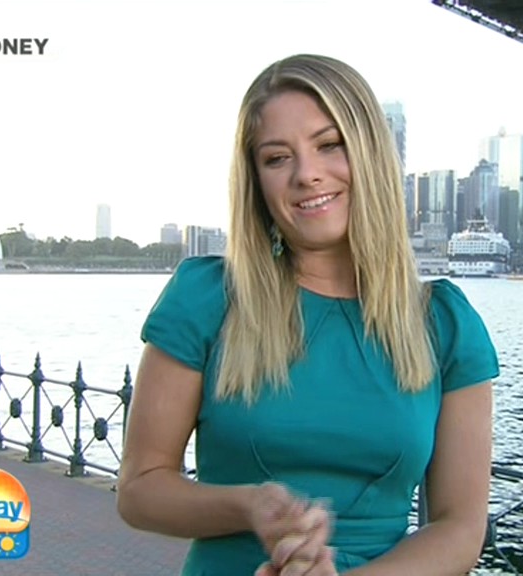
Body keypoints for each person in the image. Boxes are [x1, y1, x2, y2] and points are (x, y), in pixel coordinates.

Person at [117, 53, 499, 575]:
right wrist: (249, 506)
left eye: (329, 144)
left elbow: (460, 528)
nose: (307, 175)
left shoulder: (446, 325)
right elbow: (139, 490)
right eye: (277, 158)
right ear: (257, 182)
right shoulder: (206, 298)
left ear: (368, 152)